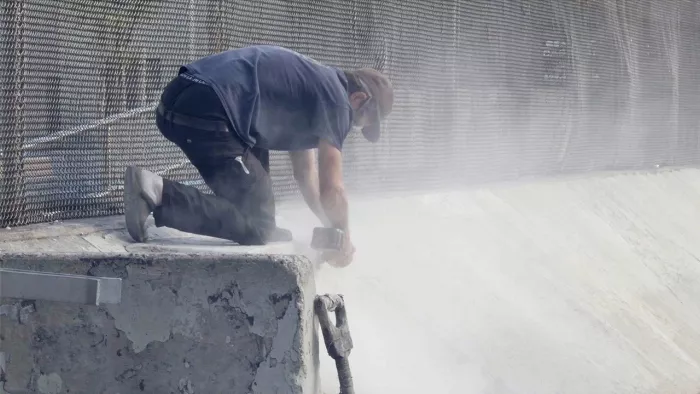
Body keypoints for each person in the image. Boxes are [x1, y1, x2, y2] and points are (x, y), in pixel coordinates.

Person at [123, 45, 394, 267]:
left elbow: (305, 175)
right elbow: (332, 190)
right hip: (209, 110)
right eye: (362, 121)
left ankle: (259, 221)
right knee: (258, 226)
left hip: (183, 99)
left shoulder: (319, 86)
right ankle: (155, 192)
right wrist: (344, 235)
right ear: (358, 99)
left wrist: (330, 228)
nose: (355, 127)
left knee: (262, 204)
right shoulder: (337, 103)